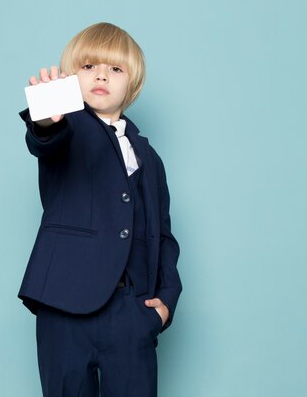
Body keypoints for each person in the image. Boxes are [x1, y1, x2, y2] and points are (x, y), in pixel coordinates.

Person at [18, 22, 182, 397]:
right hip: (63, 307)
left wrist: (165, 303)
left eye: (115, 69)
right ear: (72, 77)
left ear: (133, 84)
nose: (101, 75)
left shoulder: (149, 156)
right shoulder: (67, 127)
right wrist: (47, 114)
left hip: (132, 311)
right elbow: (44, 137)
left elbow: (164, 234)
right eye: (88, 67)